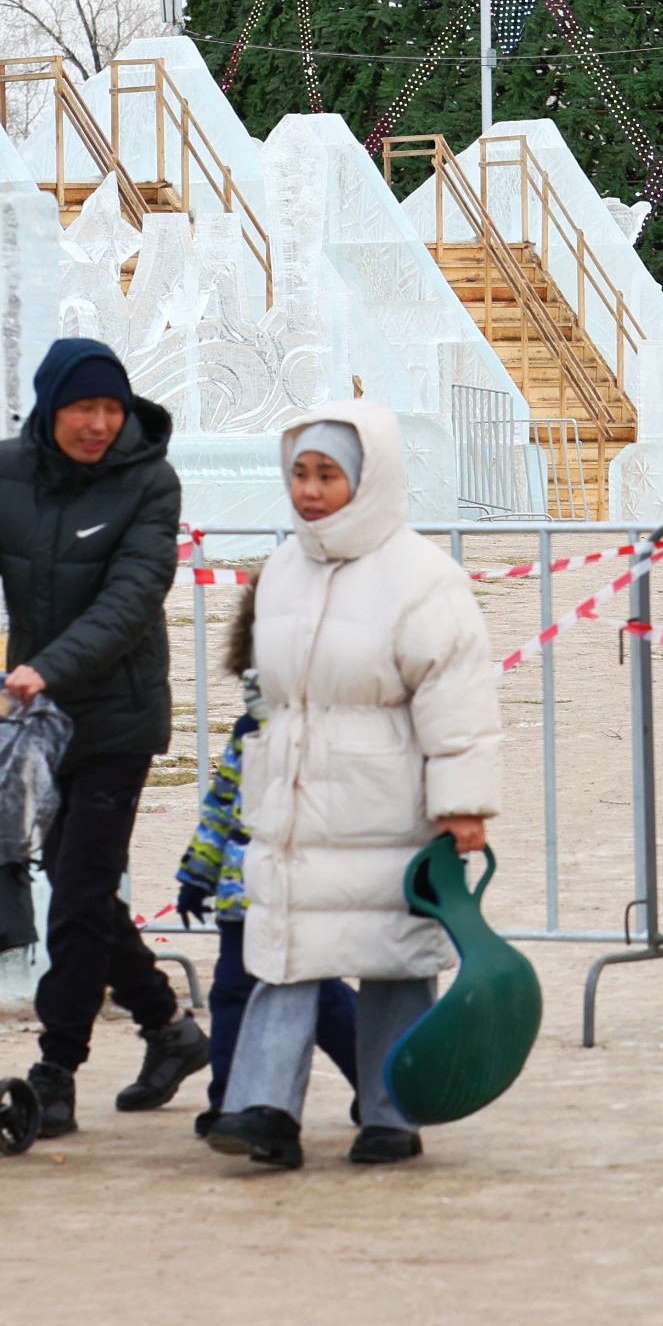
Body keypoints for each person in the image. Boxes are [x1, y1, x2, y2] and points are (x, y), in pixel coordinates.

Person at [207, 401, 502, 1170]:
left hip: (387, 800)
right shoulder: (281, 570)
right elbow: (264, 688)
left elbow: (457, 697)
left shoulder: (423, 579)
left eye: (328, 475)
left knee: (394, 961)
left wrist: (463, 805)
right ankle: (264, 1108)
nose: (309, 491)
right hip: (296, 799)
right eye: (300, 473)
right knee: (282, 950)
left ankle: (390, 1114)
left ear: (368, 480)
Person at [0, 337, 207, 1136]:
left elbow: (131, 597)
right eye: (85, 408)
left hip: (116, 714)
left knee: (80, 892)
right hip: (41, 720)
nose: (99, 424)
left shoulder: (151, 481)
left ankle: (57, 1068)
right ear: (51, 408)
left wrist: (47, 666)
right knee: (81, 889)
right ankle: (171, 1031)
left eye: (112, 409)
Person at [172, 583, 363, 1138]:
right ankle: (231, 1101)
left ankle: (381, 1081)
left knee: (320, 995)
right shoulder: (249, 725)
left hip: (307, 887)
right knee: (232, 991)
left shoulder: (337, 722)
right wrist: (197, 874)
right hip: (242, 893)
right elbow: (223, 805)